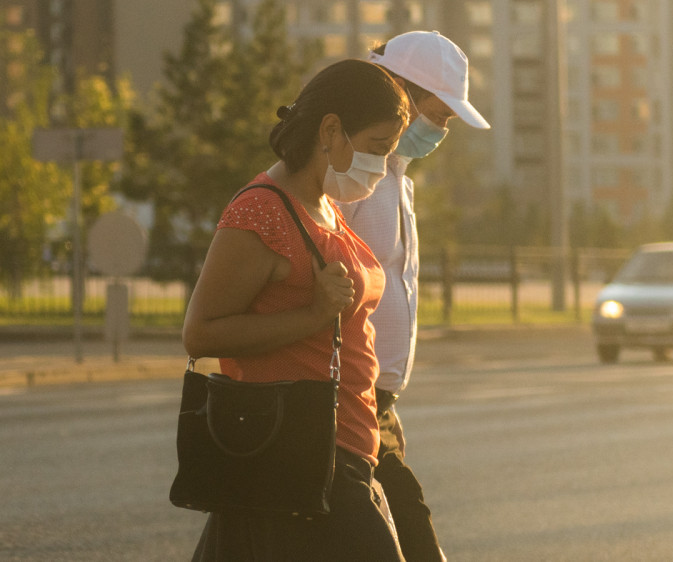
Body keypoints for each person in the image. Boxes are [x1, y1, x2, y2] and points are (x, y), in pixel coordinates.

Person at [181, 58, 408, 561]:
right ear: (331, 130)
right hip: (297, 458)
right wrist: (312, 315)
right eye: (377, 148)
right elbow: (200, 334)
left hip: (344, 450)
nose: (382, 165)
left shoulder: (323, 207)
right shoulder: (262, 210)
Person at [339, 31, 490, 562]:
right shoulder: (353, 176)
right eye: (438, 114)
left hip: (377, 398)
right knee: (409, 529)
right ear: (399, 91)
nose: (441, 129)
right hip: (347, 396)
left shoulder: (397, 176)